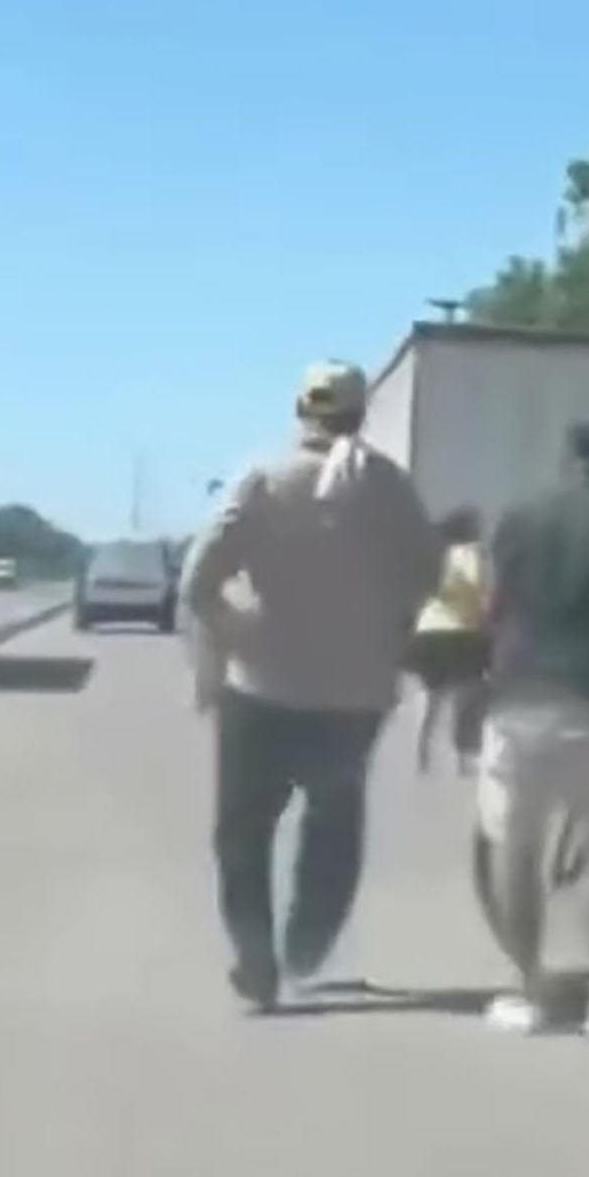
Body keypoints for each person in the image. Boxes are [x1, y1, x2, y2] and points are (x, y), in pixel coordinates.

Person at [183, 361, 440, 1011]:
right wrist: (389, 625)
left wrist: (236, 633)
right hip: (355, 694)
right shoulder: (390, 487)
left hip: (262, 688)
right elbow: (430, 574)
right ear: (361, 413)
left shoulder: (262, 480)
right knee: (335, 820)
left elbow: (197, 582)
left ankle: (257, 958)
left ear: (300, 409)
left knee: (242, 832)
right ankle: (306, 944)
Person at [478, 425, 589, 1042]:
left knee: (513, 847)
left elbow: (491, 605)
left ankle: (532, 996)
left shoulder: (518, 518)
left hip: (519, 696)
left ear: (567, 460)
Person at [411, 507, 489, 773]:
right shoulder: (470, 553)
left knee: (432, 699)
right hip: (461, 631)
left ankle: (421, 755)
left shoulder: (433, 554)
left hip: (430, 631)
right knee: (464, 700)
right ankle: (461, 759)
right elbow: (475, 588)